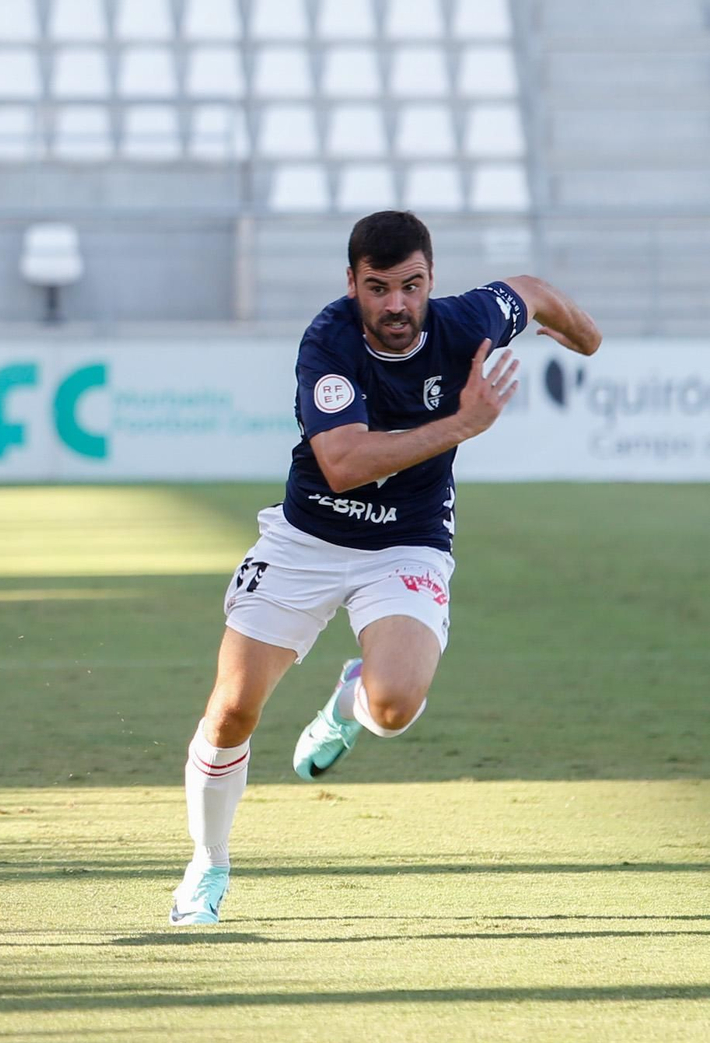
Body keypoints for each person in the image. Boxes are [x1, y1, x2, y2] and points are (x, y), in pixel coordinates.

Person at [170, 211, 602, 926]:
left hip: (408, 541)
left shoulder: (466, 321)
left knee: (394, 707)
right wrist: (463, 424)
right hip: (307, 538)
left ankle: (350, 701)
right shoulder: (328, 341)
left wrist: (586, 336)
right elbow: (343, 464)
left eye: (412, 286)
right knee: (232, 708)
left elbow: (533, 290)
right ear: (352, 284)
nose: (397, 304)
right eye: (379, 288)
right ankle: (208, 864)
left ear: (431, 279)